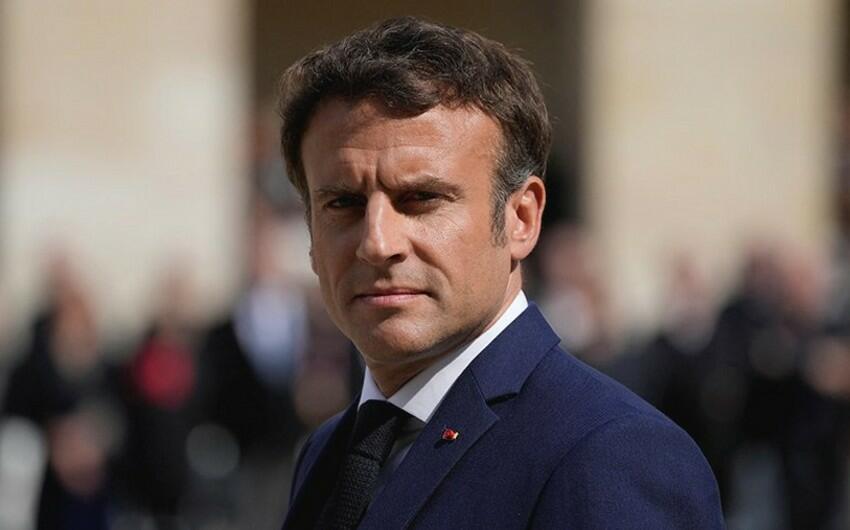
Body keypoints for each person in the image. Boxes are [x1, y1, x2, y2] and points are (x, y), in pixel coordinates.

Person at [277, 16, 723, 529]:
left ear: (521, 219)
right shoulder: (328, 453)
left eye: (421, 198)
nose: (377, 243)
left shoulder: (610, 453)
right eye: (342, 203)